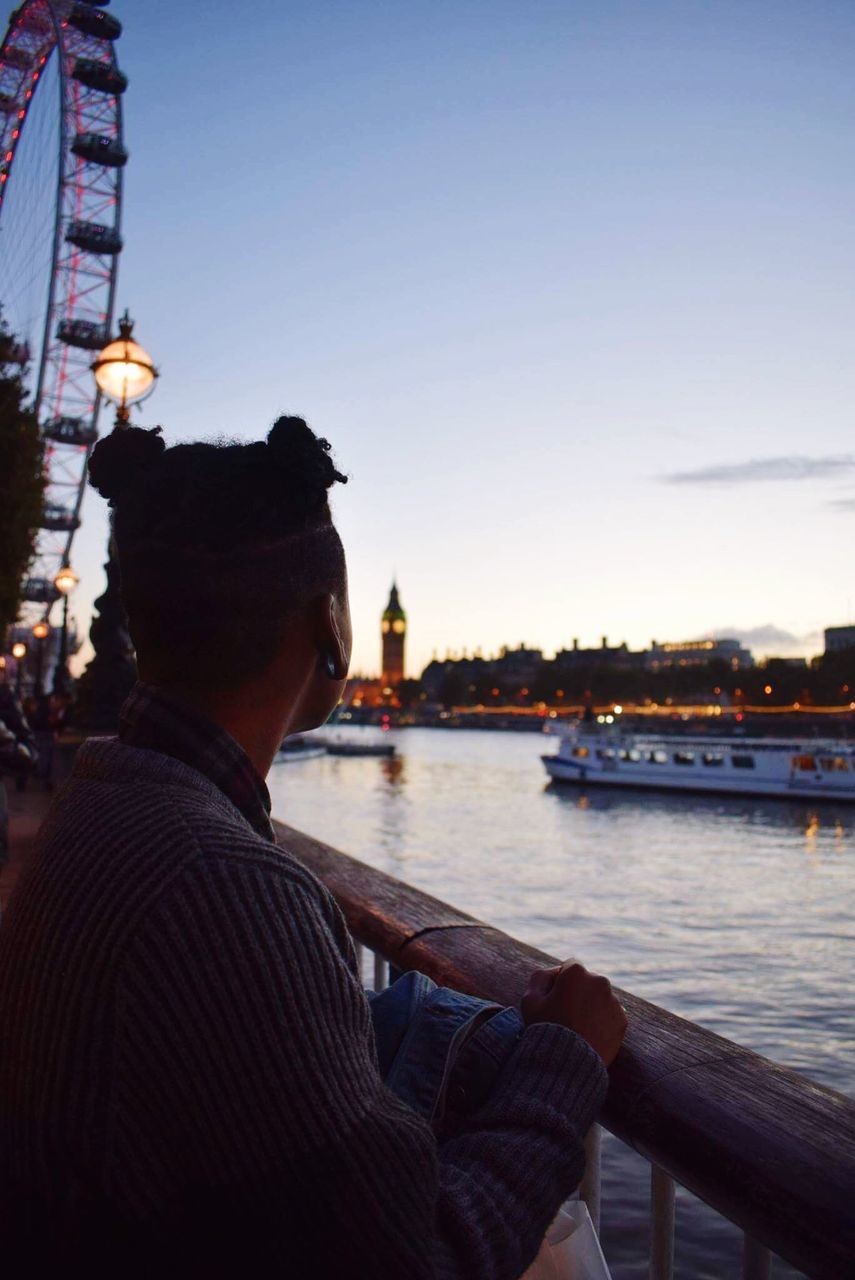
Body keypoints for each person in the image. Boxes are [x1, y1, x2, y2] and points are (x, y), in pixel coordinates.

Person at [0, 417, 627, 1278]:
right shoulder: (221, 883)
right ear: (333, 627)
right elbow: (416, 1262)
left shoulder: (100, 801)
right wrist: (563, 1061)